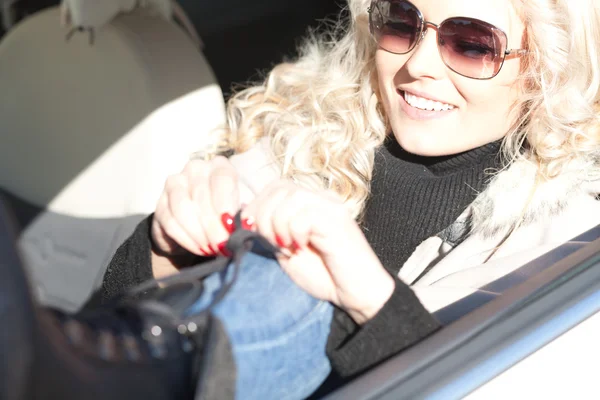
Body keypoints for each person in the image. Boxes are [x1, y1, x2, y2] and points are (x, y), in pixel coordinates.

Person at [4, 0, 599, 399]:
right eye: (400, 20)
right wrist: (164, 251)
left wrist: (370, 300)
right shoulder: (299, 134)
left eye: (471, 43)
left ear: (547, 67)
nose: (416, 65)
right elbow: (109, 311)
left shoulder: (570, 236)